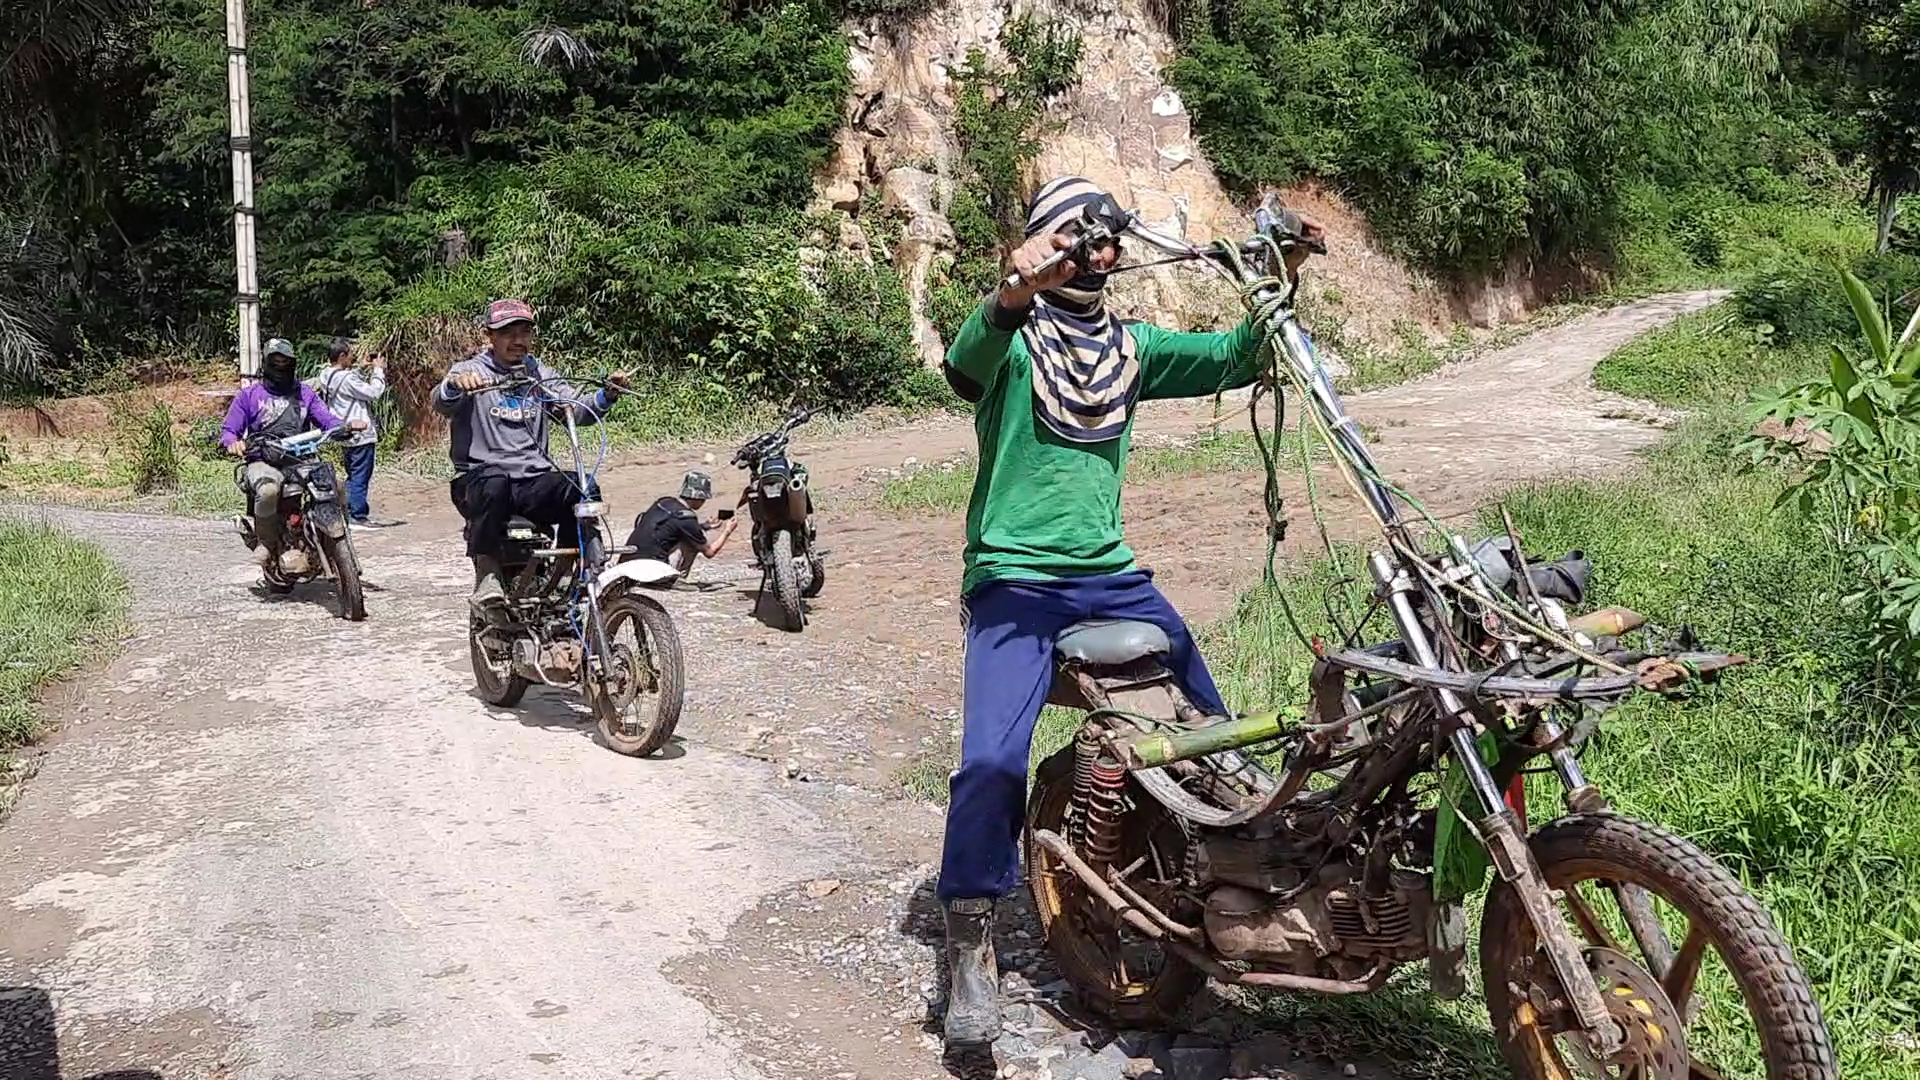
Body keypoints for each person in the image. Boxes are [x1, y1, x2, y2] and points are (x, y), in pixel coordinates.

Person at [933, 177, 1324, 1047]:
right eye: (1073, 238)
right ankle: (969, 942)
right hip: (1013, 580)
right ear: (1038, 244)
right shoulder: (1016, 340)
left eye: (1102, 239)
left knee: (1210, 722)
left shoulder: (1128, 347)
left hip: (1110, 574)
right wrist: (1015, 289)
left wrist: (1279, 271)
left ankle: (1233, 878)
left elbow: (1234, 357)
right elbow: (964, 366)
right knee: (992, 760)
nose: (1094, 252)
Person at [433, 299, 630, 611]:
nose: (518, 340)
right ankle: (488, 573)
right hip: (479, 483)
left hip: (530, 483)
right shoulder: (469, 370)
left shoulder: (539, 374)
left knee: (581, 486)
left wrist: (608, 395)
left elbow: (575, 409)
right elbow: (442, 400)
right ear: (490, 336)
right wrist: (456, 386)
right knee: (495, 480)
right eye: (508, 333)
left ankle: (577, 567)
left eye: (524, 332)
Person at [219, 337, 362, 567]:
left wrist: (345, 426)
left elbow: (327, 420)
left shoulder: (304, 394)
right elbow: (229, 430)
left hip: (301, 458)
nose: (280, 366)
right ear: (265, 363)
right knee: (267, 490)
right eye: (275, 361)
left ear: (293, 363)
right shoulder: (249, 396)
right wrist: (232, 442)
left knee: (337, 483)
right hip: (263, 460)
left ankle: (340, 537)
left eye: (285, 361)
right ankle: (266, 543)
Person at [313, 336, 389, 528]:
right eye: (351, 356)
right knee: (360, 477)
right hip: (360, 435)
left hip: (344, 433)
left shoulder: (326, 375)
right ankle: (357, 515)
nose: (354, 359)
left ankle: (346, 511)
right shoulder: (347, 378)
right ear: (342, 356)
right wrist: (378, 370)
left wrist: (362, 368)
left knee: (353, 473)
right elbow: (374, 393)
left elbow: (346, 381)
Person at [623, 471, 739, 572]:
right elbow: (709, 552)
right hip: (651, 569)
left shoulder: (663, 502)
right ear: (699, 498)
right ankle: (675, 579)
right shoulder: (687, 518)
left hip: (629, 561)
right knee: (693, 543)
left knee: (688, 536)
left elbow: (671, 527)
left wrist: (704, 526)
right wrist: (727, 531)